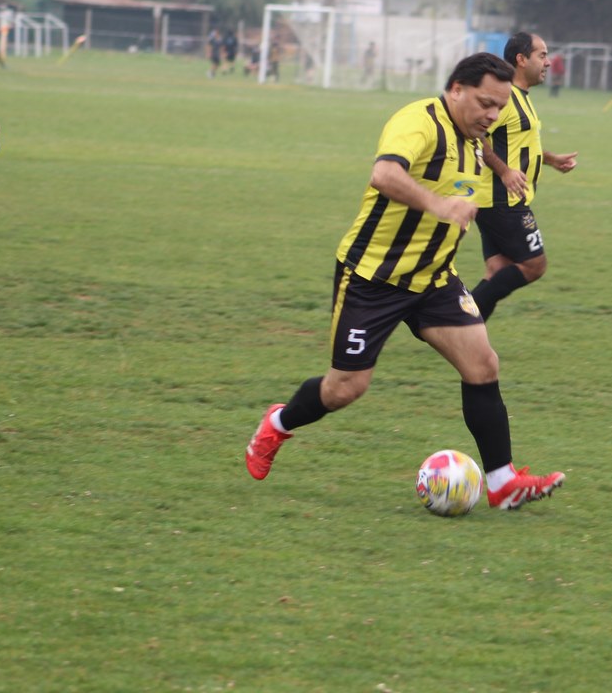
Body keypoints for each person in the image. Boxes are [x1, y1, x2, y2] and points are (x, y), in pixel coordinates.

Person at [244, 52, 566, 510]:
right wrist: (438, 205)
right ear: (456, 89)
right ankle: (277, 424)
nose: (492, 114)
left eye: (499, 106)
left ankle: (501, 482)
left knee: (483, 365)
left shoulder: (477, 141)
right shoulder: (419, 122)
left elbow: (483, 187)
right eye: (485, 103)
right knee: (345, 388)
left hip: (434, 279)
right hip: (373, 277)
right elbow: (385, 174)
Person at [471, 32, 577, 322]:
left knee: (498, 270)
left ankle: (464, 332)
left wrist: (550, 159)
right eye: (542, 55)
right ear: (521, 59)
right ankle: (452, 319)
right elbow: (476, 135)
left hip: (496, 199)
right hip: (501, 199)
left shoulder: (521, 96)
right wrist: (504, 171)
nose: (547, 62)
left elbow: (516, 145)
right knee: (534, 265)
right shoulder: (505, 98)